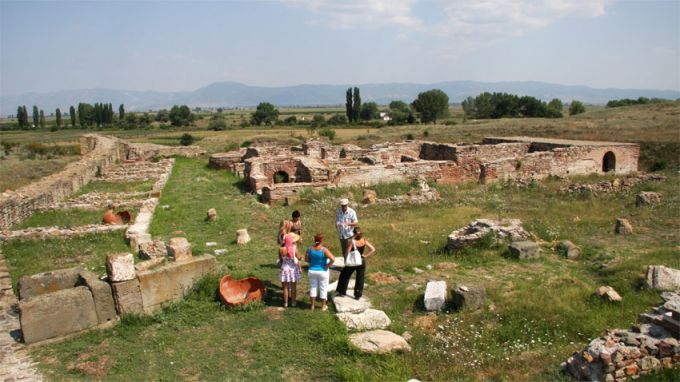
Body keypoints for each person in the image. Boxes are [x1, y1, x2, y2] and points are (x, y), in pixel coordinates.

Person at [336, 227, 375, 300]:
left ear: (353, 233)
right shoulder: (364, 240)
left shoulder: (352, 241)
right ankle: (358, 295)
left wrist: (346, 258)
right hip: (361, 261)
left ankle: (342, 292)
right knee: (360, 277)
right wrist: (365, 255)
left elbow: (347, 251)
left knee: (345, 275)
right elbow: (373, 249)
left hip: (353, 261)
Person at [305, 233, 335, 311]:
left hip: (312, 270)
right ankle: (323, 306)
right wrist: (327, 265)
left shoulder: (309, 249)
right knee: (323, 288)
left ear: (315, 240)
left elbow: (306, 260)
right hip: (322, 271)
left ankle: (312, 306)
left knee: (313, 288)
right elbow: (333, 259)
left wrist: (312, 262)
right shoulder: (324, 250)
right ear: (321, 240)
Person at [278, 220, 302, 307]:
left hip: (284, 268)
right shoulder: (294, 248)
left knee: (285, 288)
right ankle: (293, 302)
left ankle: (285, 303)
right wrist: (300, 258)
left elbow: (280, 260)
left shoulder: (281, 249)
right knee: (293, 287)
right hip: (292, 269)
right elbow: (298, 257)